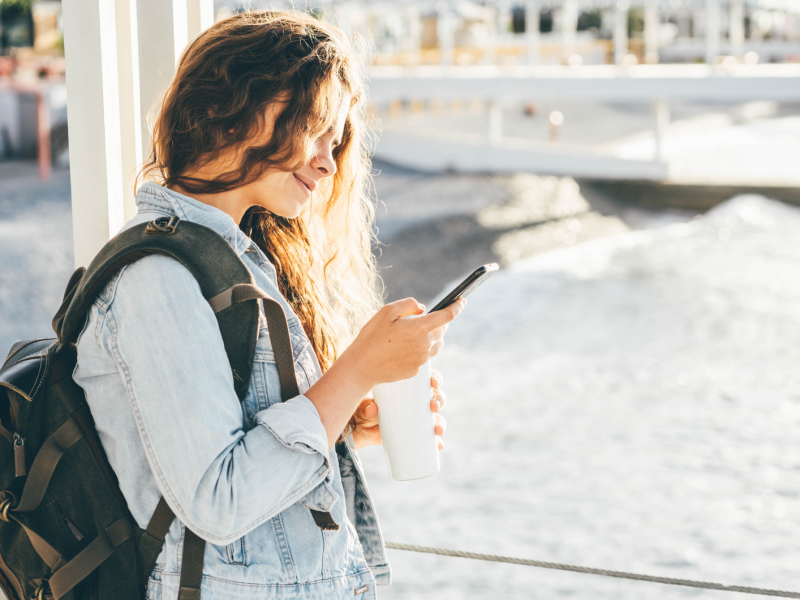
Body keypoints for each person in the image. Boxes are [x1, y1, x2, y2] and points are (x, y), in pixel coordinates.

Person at [72, 10, 464, 600]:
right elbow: (217, 499)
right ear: (231, 105)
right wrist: (357, 369)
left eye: (337, 144)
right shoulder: (157, 278)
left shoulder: (239, 260)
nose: (329, 163)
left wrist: (347, 422)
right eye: (316, 129)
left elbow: (242, 461)